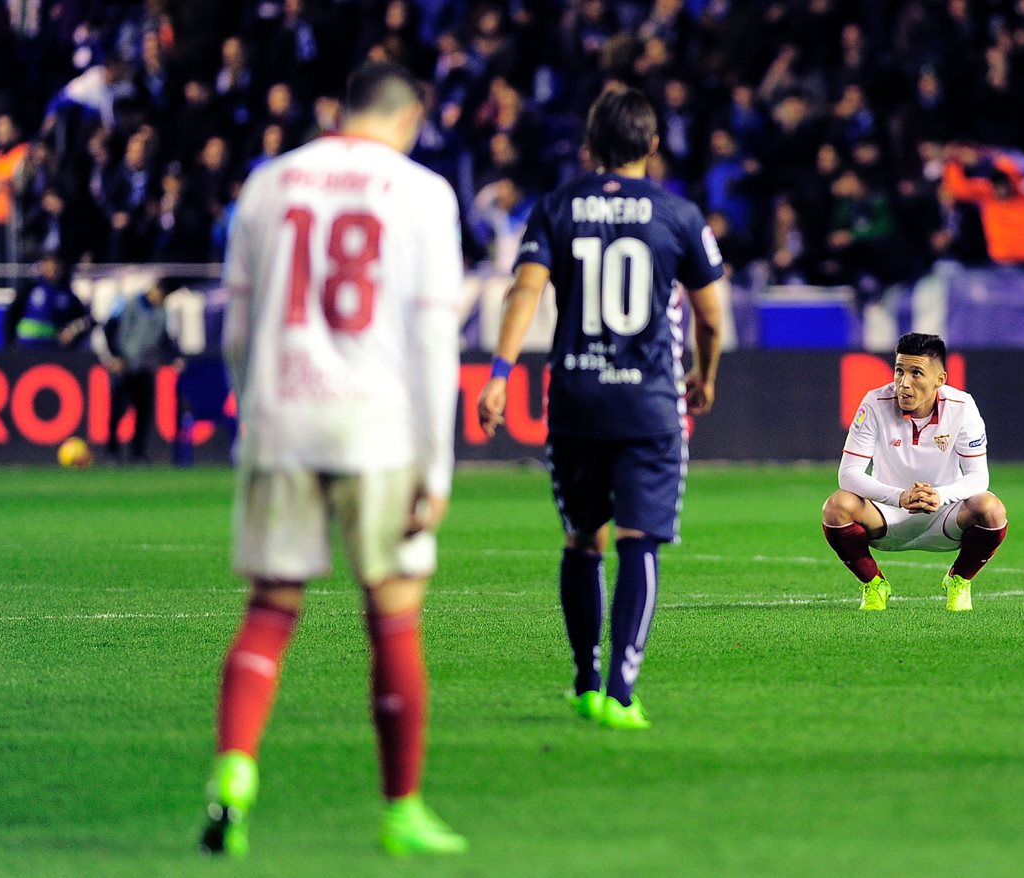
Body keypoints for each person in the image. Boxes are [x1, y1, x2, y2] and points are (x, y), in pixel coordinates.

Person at [200, 61, 467, 859]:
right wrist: (438, 463)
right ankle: (400, 810)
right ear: (411, 116)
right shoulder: (423, 193)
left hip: (283, 415)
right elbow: (431, 337)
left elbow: (237, 328)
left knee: (271, 606)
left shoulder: (268, 184)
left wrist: (254, 416)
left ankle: (235, 772)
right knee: (392, 607)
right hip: (378, 427)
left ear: (337, 110)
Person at [477, 86, 724, 729]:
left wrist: (500, 373)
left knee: (582, 538)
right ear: (651, 146)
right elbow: (712, 317)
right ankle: (620, 692)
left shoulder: (556, 207)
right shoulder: (678, 214)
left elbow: (522, 293)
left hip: (576, 399)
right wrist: (704, 372)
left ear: (590, 148)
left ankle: (585, 682)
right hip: (648, 404)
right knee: (639, 539)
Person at [821, 333, 1008, 612]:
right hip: (886, 514)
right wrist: (899, 497)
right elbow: (848, 474)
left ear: (940, 380)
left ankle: (959, 580)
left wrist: (940, 495)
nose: (903, 383)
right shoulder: (875, 403)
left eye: (916, 373)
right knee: (836, 507)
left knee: (991, 509)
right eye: (899, 371)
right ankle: (874, 584)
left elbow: (979, 476)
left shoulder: (962, 407)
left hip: (943, 515)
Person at [101, 278, 181, 463]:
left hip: (145, 367)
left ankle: (138, 453)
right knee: (117, 410)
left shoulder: (162, 311)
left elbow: (163, 338)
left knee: (143, 412)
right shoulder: (127, 302)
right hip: (124, 365)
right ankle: (112, 452)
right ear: (153, 289)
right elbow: (109, 328)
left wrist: (174, 357)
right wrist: (116, 356)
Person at [3, 253, 89, 350]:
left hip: (53, 349)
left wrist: (72, 334)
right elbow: (12, 315)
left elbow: (82, 320)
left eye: (56, 265)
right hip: (25, 346)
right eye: (48, 264)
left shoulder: (67, 294)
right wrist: (10, 342)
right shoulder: (30, 288)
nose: (53, 269)